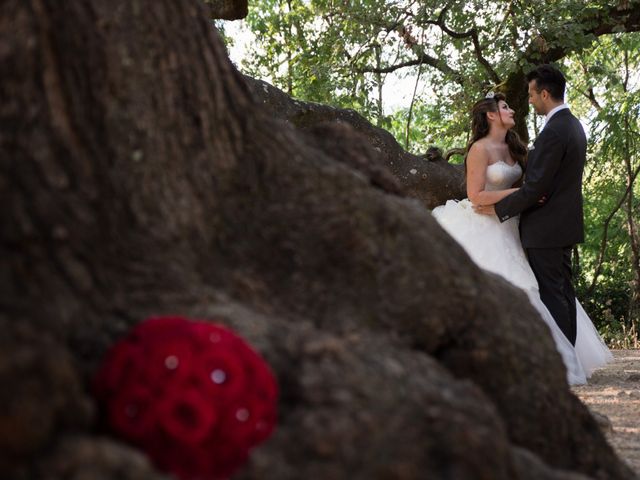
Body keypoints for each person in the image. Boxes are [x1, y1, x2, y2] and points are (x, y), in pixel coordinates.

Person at [432, 90, 612, 385]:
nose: (513, 110)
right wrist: (521, 193)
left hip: (514, 224)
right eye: (505, 107)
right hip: (486, 223)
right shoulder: (479, 149)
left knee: (539, 287)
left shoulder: (516, 147)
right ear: (491, 115)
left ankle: (551, 359)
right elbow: (475, 196)